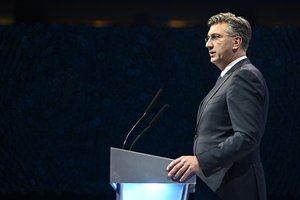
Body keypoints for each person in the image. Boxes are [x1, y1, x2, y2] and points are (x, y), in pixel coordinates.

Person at [166, 12, 269, 200]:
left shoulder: (244, 76)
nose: (208, 44)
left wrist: (201, 161)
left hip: (236, 187)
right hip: (219, 186)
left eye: (216, 37)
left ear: (236, 42)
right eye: (208, 38)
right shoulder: (228, 78)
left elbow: (247, 137)